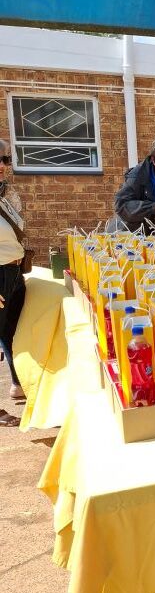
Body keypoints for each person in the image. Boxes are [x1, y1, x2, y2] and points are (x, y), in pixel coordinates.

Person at [0, 139, 26, 421]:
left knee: (10, 332)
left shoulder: (6, 194)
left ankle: (18, 384)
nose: (2, 166)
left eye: (7, 159)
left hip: (13, 270)